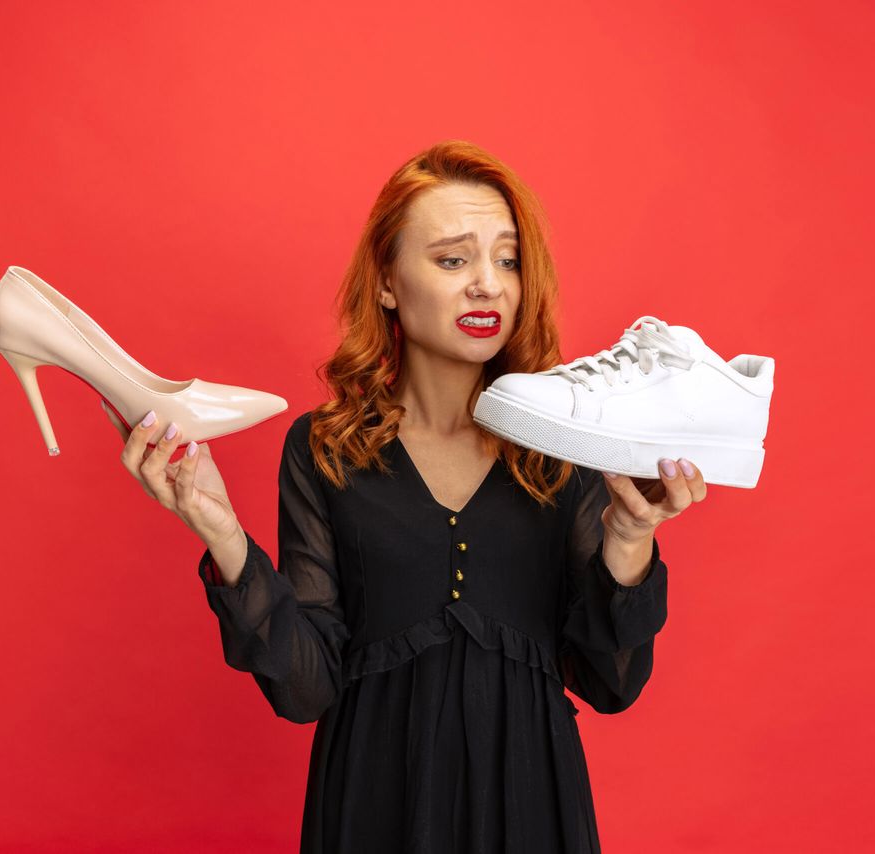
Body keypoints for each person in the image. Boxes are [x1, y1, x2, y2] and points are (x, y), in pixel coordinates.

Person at [110, 139, 707, 853]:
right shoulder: (324, 448)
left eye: (507, 259)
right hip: (370, 807)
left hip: (531, 812)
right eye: (453, 259)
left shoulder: (566, 445)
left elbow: (612, 685)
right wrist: (222, 535)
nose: (488, 284)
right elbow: (305, 691)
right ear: (389, 280)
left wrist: (630, 542)